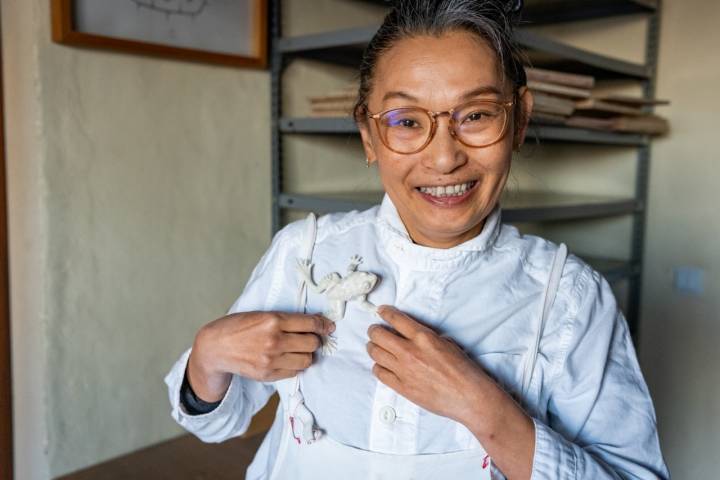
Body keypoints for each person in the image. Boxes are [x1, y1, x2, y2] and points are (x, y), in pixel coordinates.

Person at [165, 1, 669, 478]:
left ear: (519, 121)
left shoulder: (570, 298)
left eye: (475, 116)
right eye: (406, 121)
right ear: (368, 135)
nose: (445, 157)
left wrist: (485, 408)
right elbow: (214, 422)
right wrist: (207, 357)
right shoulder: (305, 253)